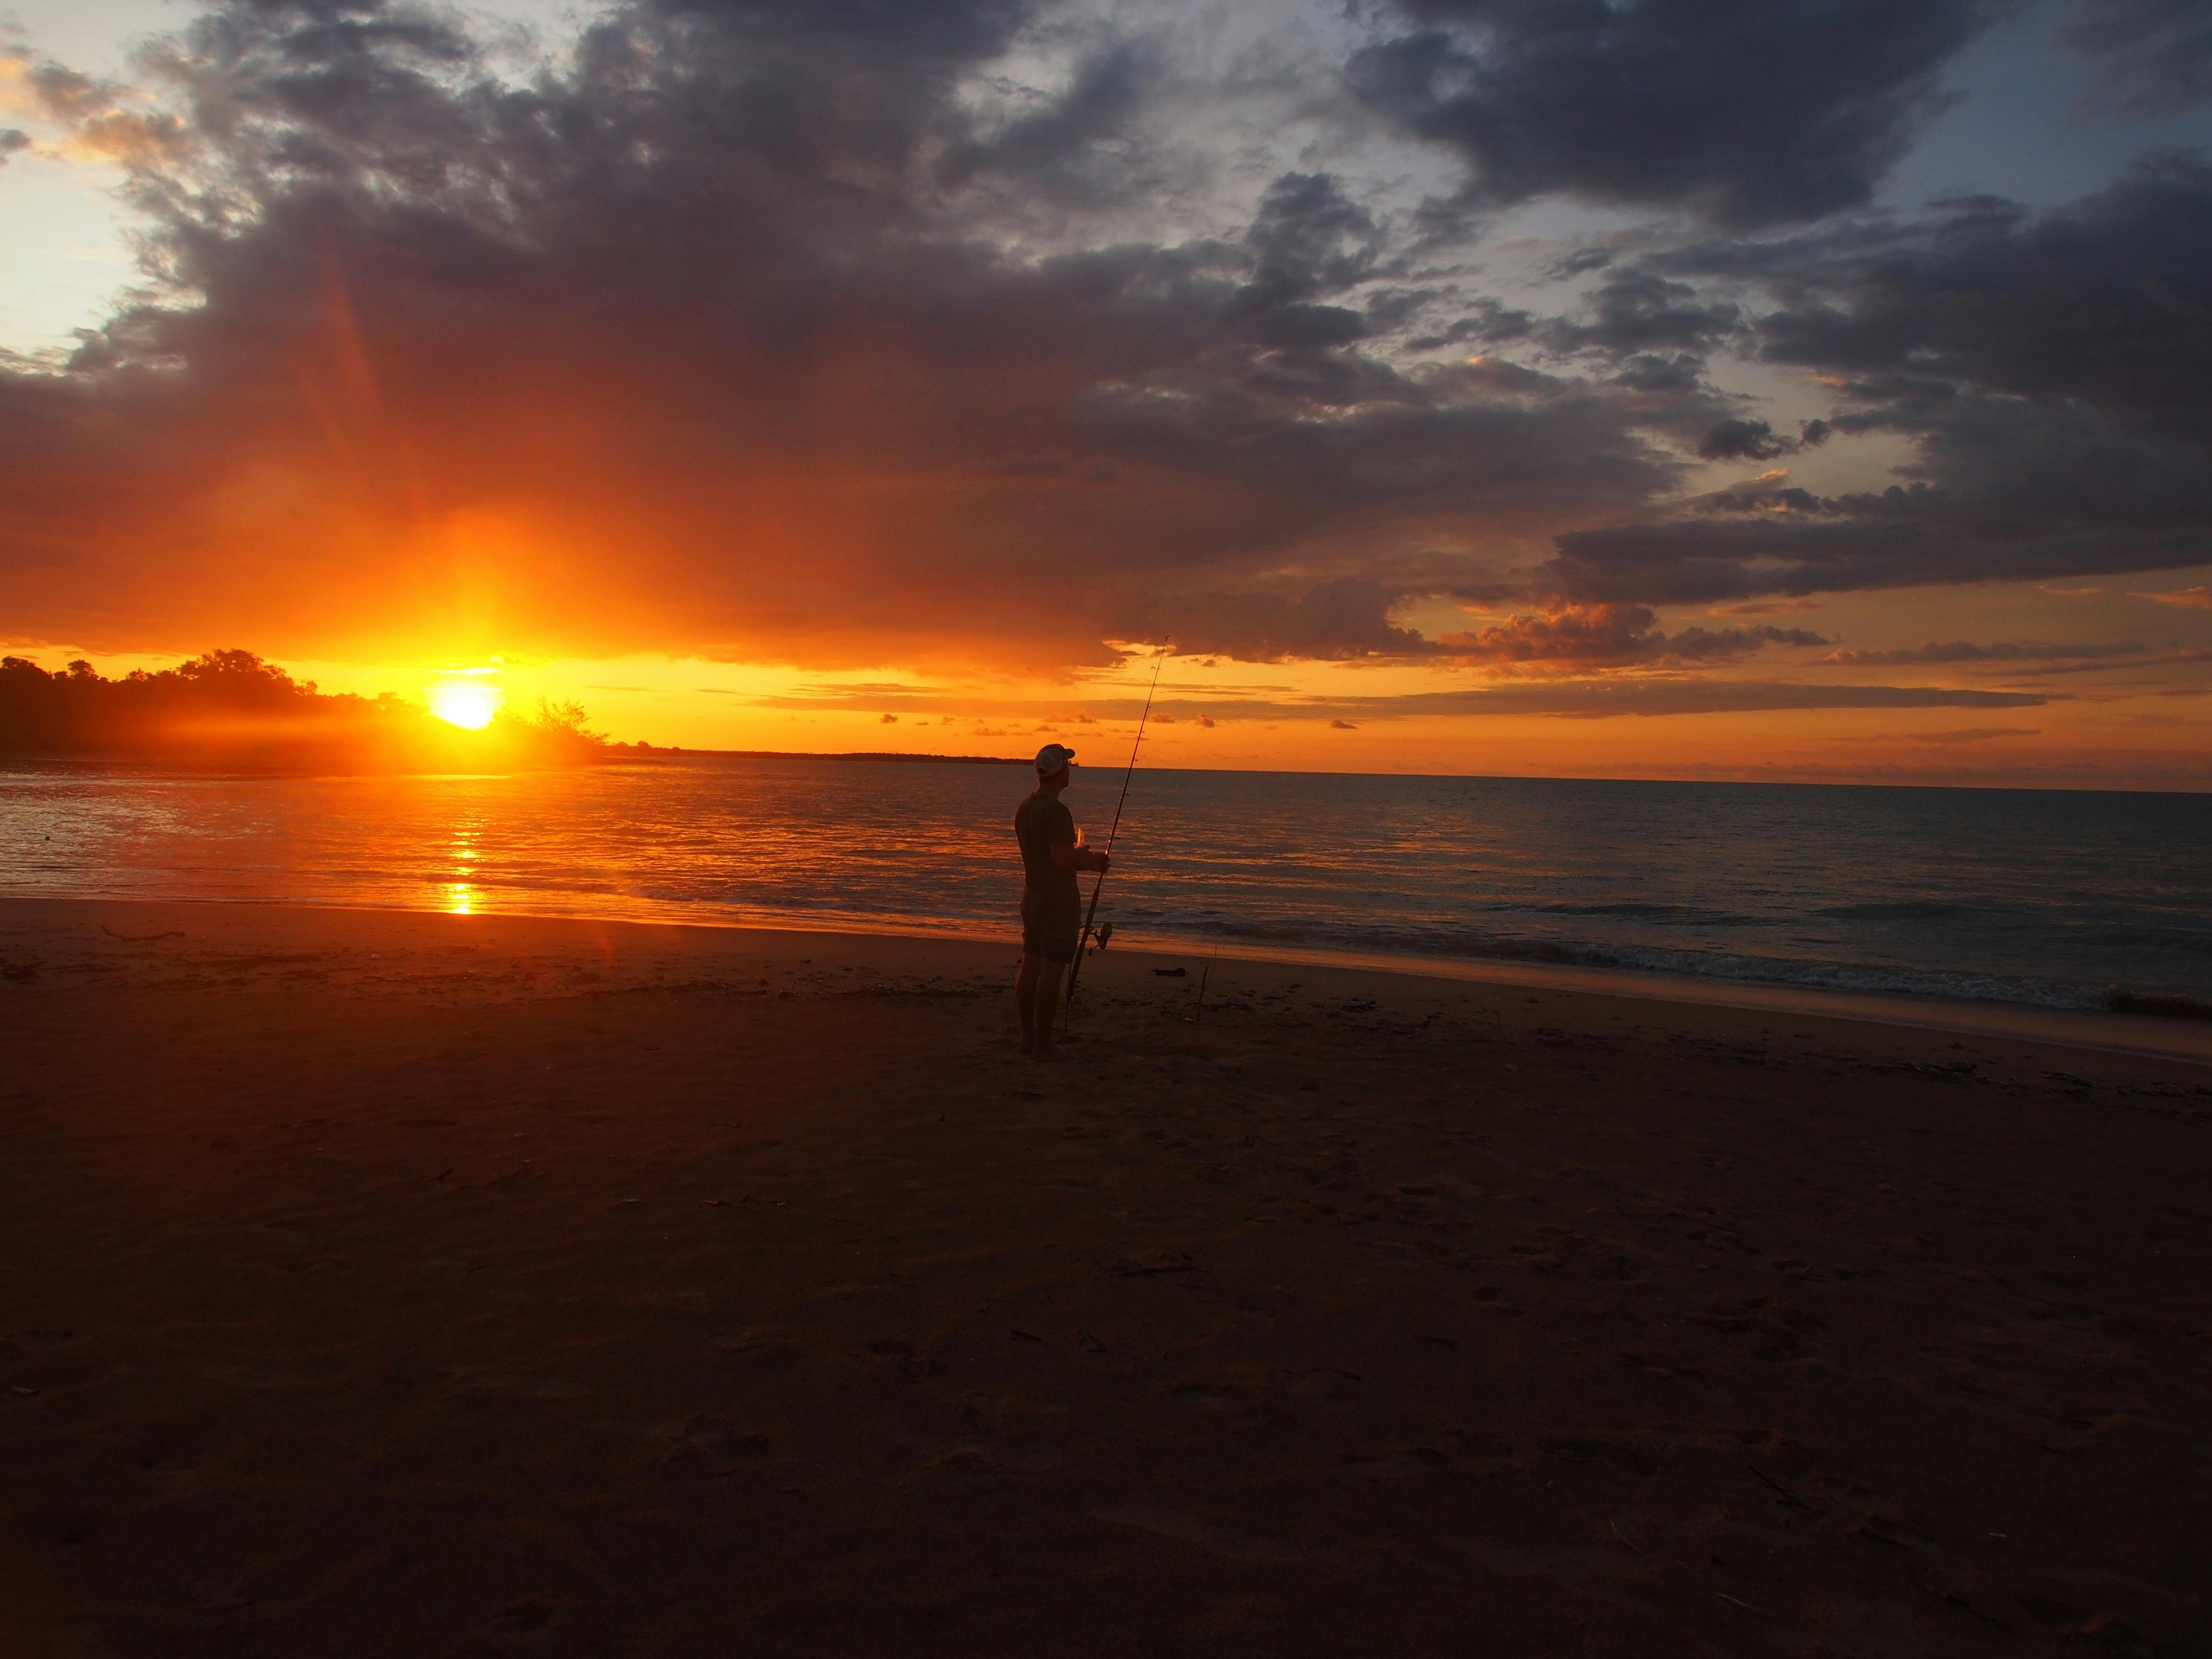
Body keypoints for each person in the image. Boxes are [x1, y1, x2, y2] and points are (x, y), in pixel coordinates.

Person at [1014, 742, 1109, 1058]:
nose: (1070, 770)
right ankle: (1043, 1043)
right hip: (1057, 902)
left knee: (1030, 965)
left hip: (1033, 897)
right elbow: (1060, 859)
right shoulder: (1057, 812)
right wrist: (1090, 859)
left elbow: (1045, 855)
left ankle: (1028, 1038)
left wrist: (1077, 857)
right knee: (1051, 972)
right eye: (1068, 765)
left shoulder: (1025, 807)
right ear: (1061, 772)